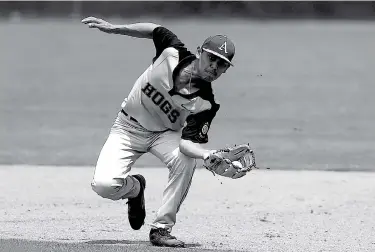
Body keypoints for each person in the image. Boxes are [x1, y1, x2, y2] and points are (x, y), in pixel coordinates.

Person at [81, 17, 236, 248]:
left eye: (221, 64)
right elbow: (154, 29)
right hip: (127, 127)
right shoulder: (172, 51)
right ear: (200, 52)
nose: (214, 66)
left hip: (165, 135)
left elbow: (186, 145)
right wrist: (115, 29)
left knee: (186, 160)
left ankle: (161, 229)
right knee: (104, 186)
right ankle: (135, 189)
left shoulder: (205, 103)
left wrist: (207, 154)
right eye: (212, 57)